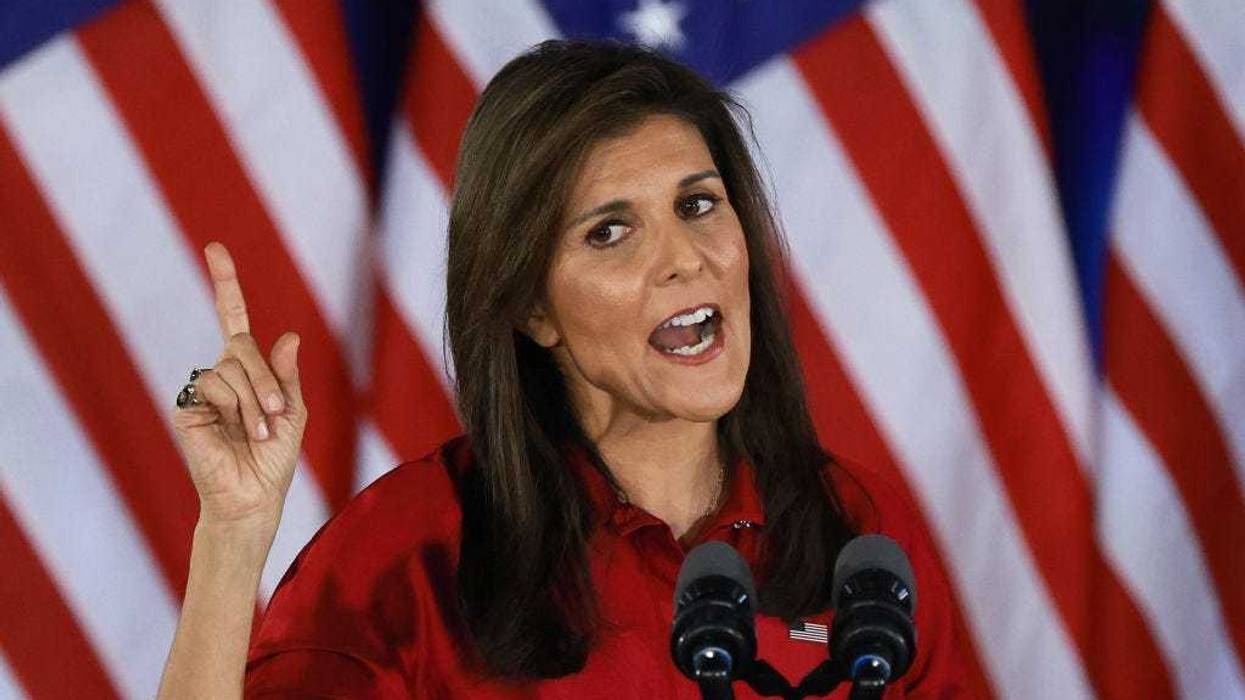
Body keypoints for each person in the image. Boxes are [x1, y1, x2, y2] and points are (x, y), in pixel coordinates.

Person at [158, 40, 968, 698]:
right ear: (530, 309)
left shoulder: (859, 533)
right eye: (609, 232)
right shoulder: (405, 559)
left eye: (696, 205)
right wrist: (232, 536)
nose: (684, 260)